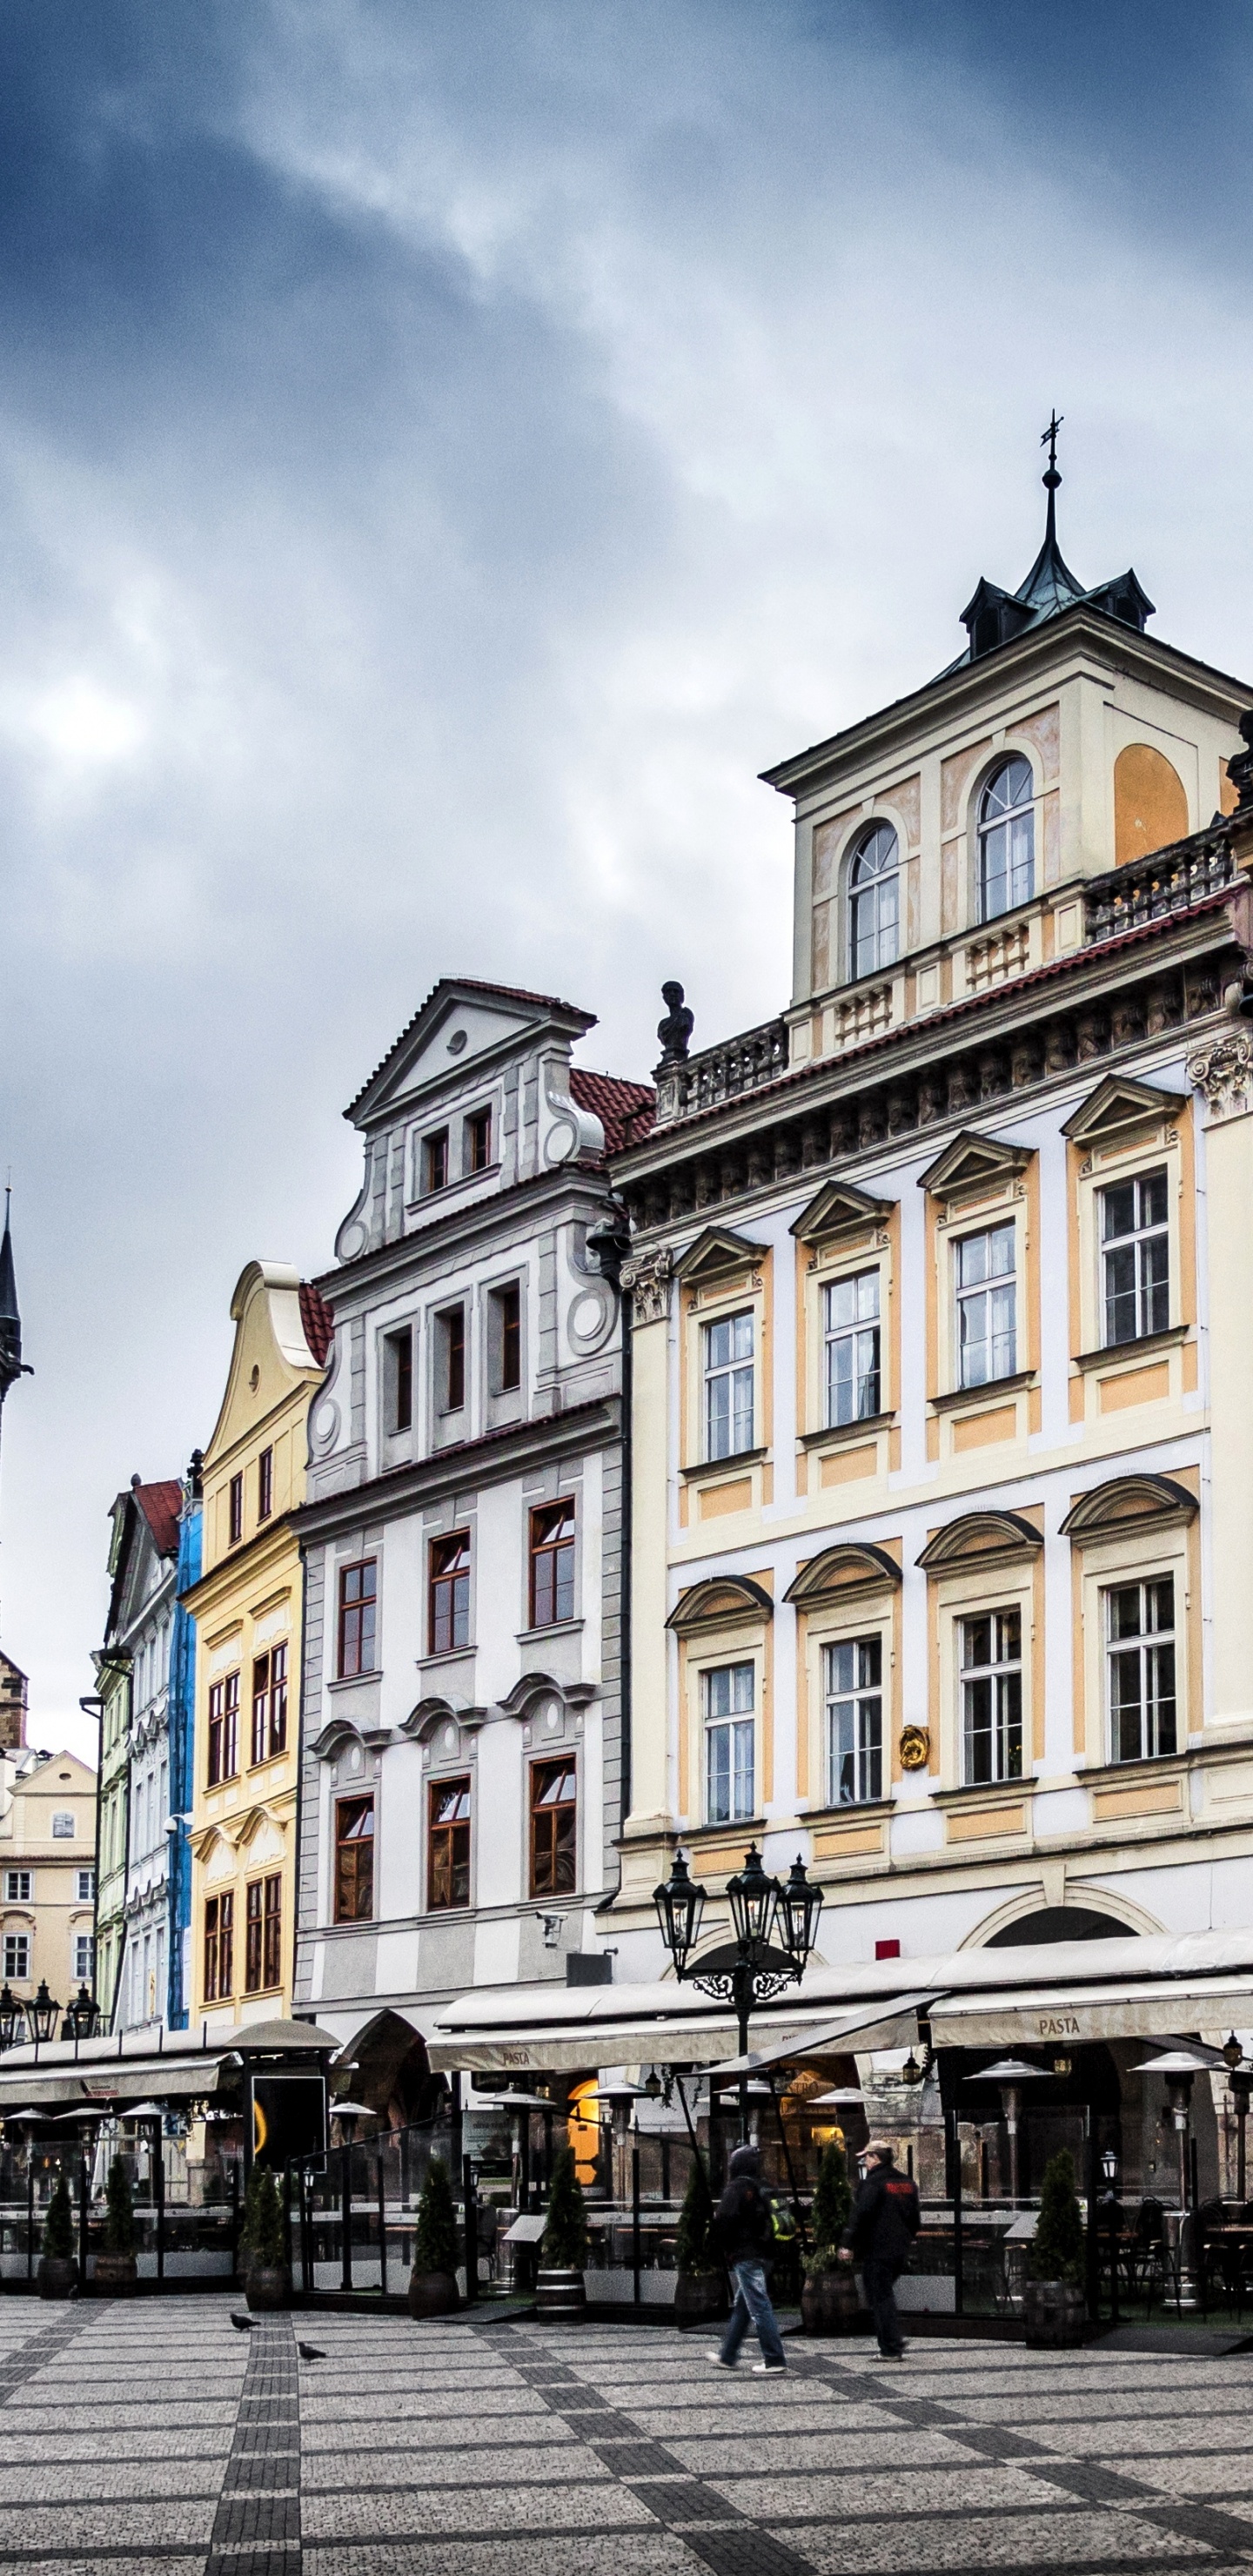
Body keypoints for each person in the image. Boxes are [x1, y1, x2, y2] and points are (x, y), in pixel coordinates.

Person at [707, 2143, 787, 2373]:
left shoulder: (737, 2188)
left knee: (759, 2307)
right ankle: (728, 2356)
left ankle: (775, 2359)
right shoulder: (764, 2186)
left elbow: (725, 2221)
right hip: (767, 2253)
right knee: (744, 2305)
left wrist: (719, 2246)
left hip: (746, 2255)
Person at [838, 2139, 920, 2358]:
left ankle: (891, 2347)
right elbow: (915, 2220)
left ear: (876, 2158)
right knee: (883, 2294)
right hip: (899, 2250)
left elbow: (860, 2216)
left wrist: (847, 2245)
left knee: (879, 2296)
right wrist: (906, 2239)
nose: (864, 2162)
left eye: (866, 2158)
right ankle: (892, 2343)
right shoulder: (907, 2183)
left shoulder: (872, 2184)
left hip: (877, 2250)